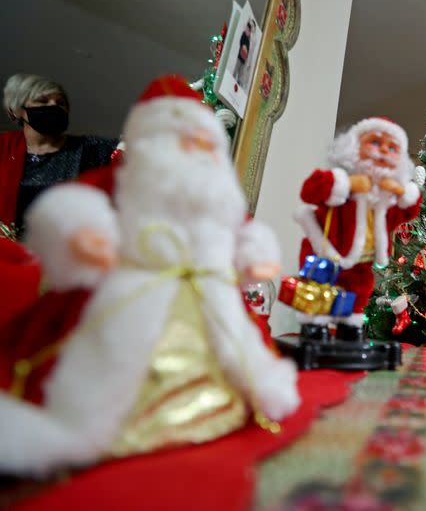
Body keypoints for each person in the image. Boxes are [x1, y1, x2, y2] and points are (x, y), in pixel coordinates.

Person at [0, 74, 298, 476]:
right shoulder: (122, 182)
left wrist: (253, 255)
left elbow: (238, 226)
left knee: (234, 347)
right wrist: (83, 238)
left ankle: (222, 398)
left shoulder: (212, 193)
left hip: (202, 300)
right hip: (134, 295)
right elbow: (77, 208)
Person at [294, 117, 422, 342]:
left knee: (358, 291)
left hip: (361, 262)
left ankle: (349, 324)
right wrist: (349, 184)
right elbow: (309, 191)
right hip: (326, 252)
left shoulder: (387, 200)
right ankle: (313, 324)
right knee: (318, 288)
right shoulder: (340, 183)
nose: (383, 150)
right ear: (354, 148)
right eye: (375, 143)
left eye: (392, 148)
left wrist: (402, 192)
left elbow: (409, 210)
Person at [0, 74, 119, 236]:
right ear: (19, 111)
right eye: (43, 101)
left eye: (61, 103)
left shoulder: (88, 149)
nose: (54, 107)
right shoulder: (5, 147)